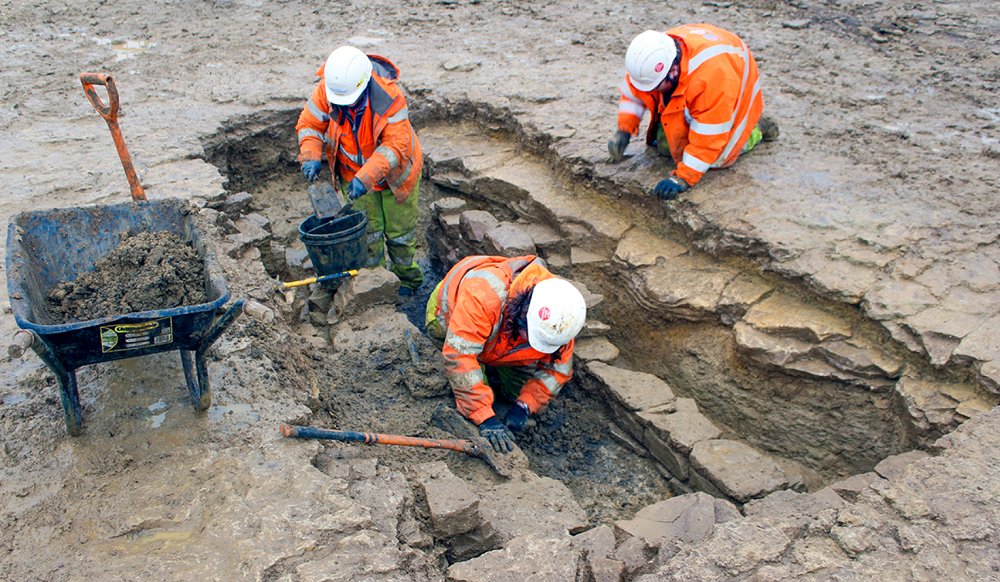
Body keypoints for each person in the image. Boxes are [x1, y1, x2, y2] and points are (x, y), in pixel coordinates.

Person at [425, 255, 587, 453]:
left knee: (516, 390)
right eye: (532, 336)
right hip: (450, 313)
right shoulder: (482, 296)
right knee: (468, 374)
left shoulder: (559, 321)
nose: (534, 344)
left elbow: (557, 369)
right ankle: (483, 391)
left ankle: (500, 385)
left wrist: (525, 405)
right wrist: (485, 417)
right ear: (522, 311)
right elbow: (460, 356)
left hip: (501, 335)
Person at [296, 46, 424, 297]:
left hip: (395, 177)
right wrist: (310, 155)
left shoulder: (391, 97)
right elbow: (310, 124)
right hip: (351, 174)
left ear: (364, 85)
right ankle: (376, 282)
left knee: (401, 234)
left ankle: (408, 281)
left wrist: (365, 177)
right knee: (369, 235)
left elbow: (394, 147)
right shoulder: (328, 89)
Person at [608, 25, 778, 200]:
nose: (650, 90)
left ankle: (754, 129)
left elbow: (708, 140)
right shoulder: (649, 60)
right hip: (703, 67)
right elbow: (634, 93)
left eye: (656, 87)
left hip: (733, 77)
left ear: (673, 71)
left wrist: (682, 178)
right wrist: (625, 130)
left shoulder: (712, 83)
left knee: (717, 159)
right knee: (667, 147)